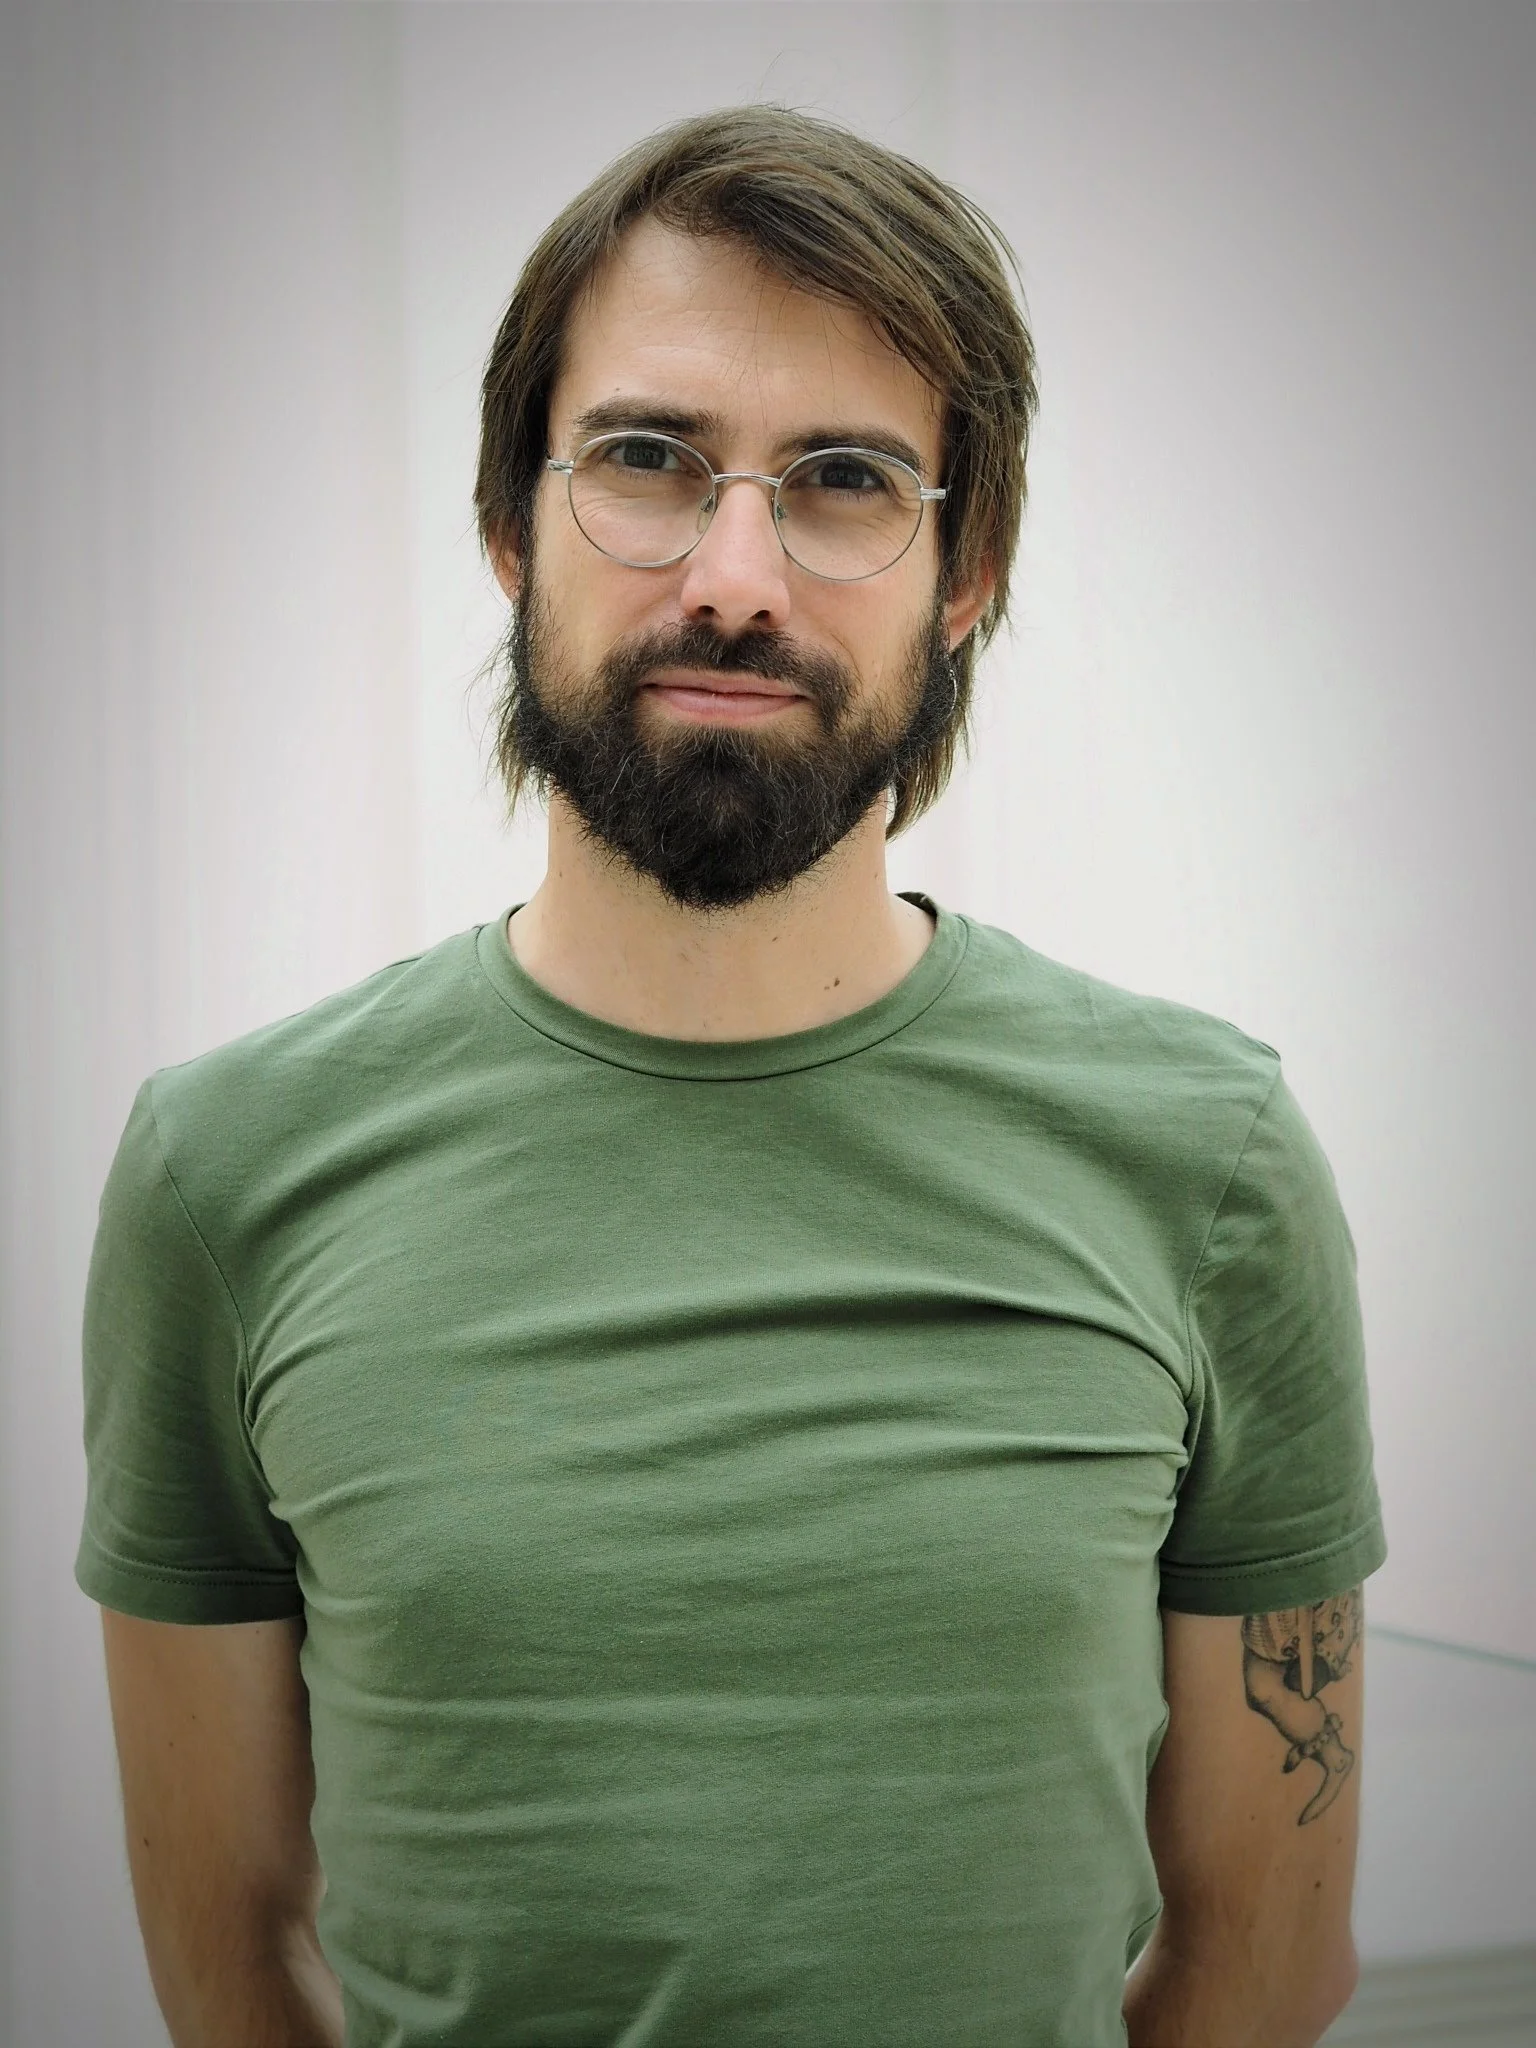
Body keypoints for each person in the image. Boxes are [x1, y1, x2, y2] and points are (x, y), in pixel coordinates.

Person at [79, 106, 1385, 2048]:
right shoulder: (226, 1173)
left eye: (846, 480)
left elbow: (1266, 1960)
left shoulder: (1211, 1162)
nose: (737, 574)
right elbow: (229, 1959)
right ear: (509, 526)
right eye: (646, 460)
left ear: (966, 574)